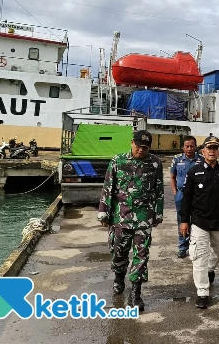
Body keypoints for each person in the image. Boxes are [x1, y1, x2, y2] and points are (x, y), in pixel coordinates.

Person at [97, 130, 164, 312]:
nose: (141, 150)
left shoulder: (155, 164)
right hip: (121, 216)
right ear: (131, 143)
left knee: (141, 255)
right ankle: (119, 276)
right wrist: (104, 213)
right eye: (138, 146)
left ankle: (136, 293)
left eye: (145, 147)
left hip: (143, 218)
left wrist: (158, 213)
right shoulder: (117, 161)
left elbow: (159, 190)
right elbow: (108, 187)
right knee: (118, 252)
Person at [179, 135, 219, 309]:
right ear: (203, 151)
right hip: (199, 221)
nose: (212, 151)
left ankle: (210, 269)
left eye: (215, 148)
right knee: (199, 256)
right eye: (209, 148)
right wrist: (184, 221)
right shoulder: (194, 172)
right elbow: (186, 199)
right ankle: (202, 293)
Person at [170, 136, 204, 258]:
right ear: (183, 147)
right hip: (181, 194)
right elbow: (172, 177)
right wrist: (175, 193)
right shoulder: (177, 159)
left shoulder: (201, 160)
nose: (189, 149)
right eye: (187, 146)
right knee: (182, 220)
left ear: (195, 147)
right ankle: (183, 247)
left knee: (196, 220)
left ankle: (195, 246)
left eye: (192, 146)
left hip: (197, 196)